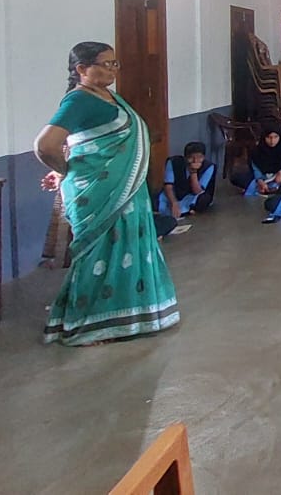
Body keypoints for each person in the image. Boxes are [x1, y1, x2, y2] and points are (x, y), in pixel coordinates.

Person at [32, 42, 179, 346]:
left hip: (126, 192)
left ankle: (127, 317)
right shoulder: (78, 100)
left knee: (127, 246)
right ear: (82, 69)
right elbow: (45, 145)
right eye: (105, 64)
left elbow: (85, 144)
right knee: (98, 254)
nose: (113, 70)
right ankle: (86, 325)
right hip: (99, 194)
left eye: (115, 64)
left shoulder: (109, 97)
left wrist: (66, 167)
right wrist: (65, 170)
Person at [159, 141, 215, 219]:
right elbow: (168, 186)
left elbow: (197, 191)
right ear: (185, 158)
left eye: (200, 157)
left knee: (204, 199)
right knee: (157, 201)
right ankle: (186, 210)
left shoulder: (208, 167)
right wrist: (174, 203)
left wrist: (193, 172)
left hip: (193, 196)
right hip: (176, 194)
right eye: (191, 158)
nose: (195, 161)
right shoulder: (173, 162)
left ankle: (190, 209)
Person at [243, 126, 281, 199]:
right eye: (269, 137)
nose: (272, 141)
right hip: (265, 177)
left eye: (276, 137)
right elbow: (255, 168)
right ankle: (269, 188)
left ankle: (275, 188)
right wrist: (260, 180)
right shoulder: (257, 151)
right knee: (238, 177)